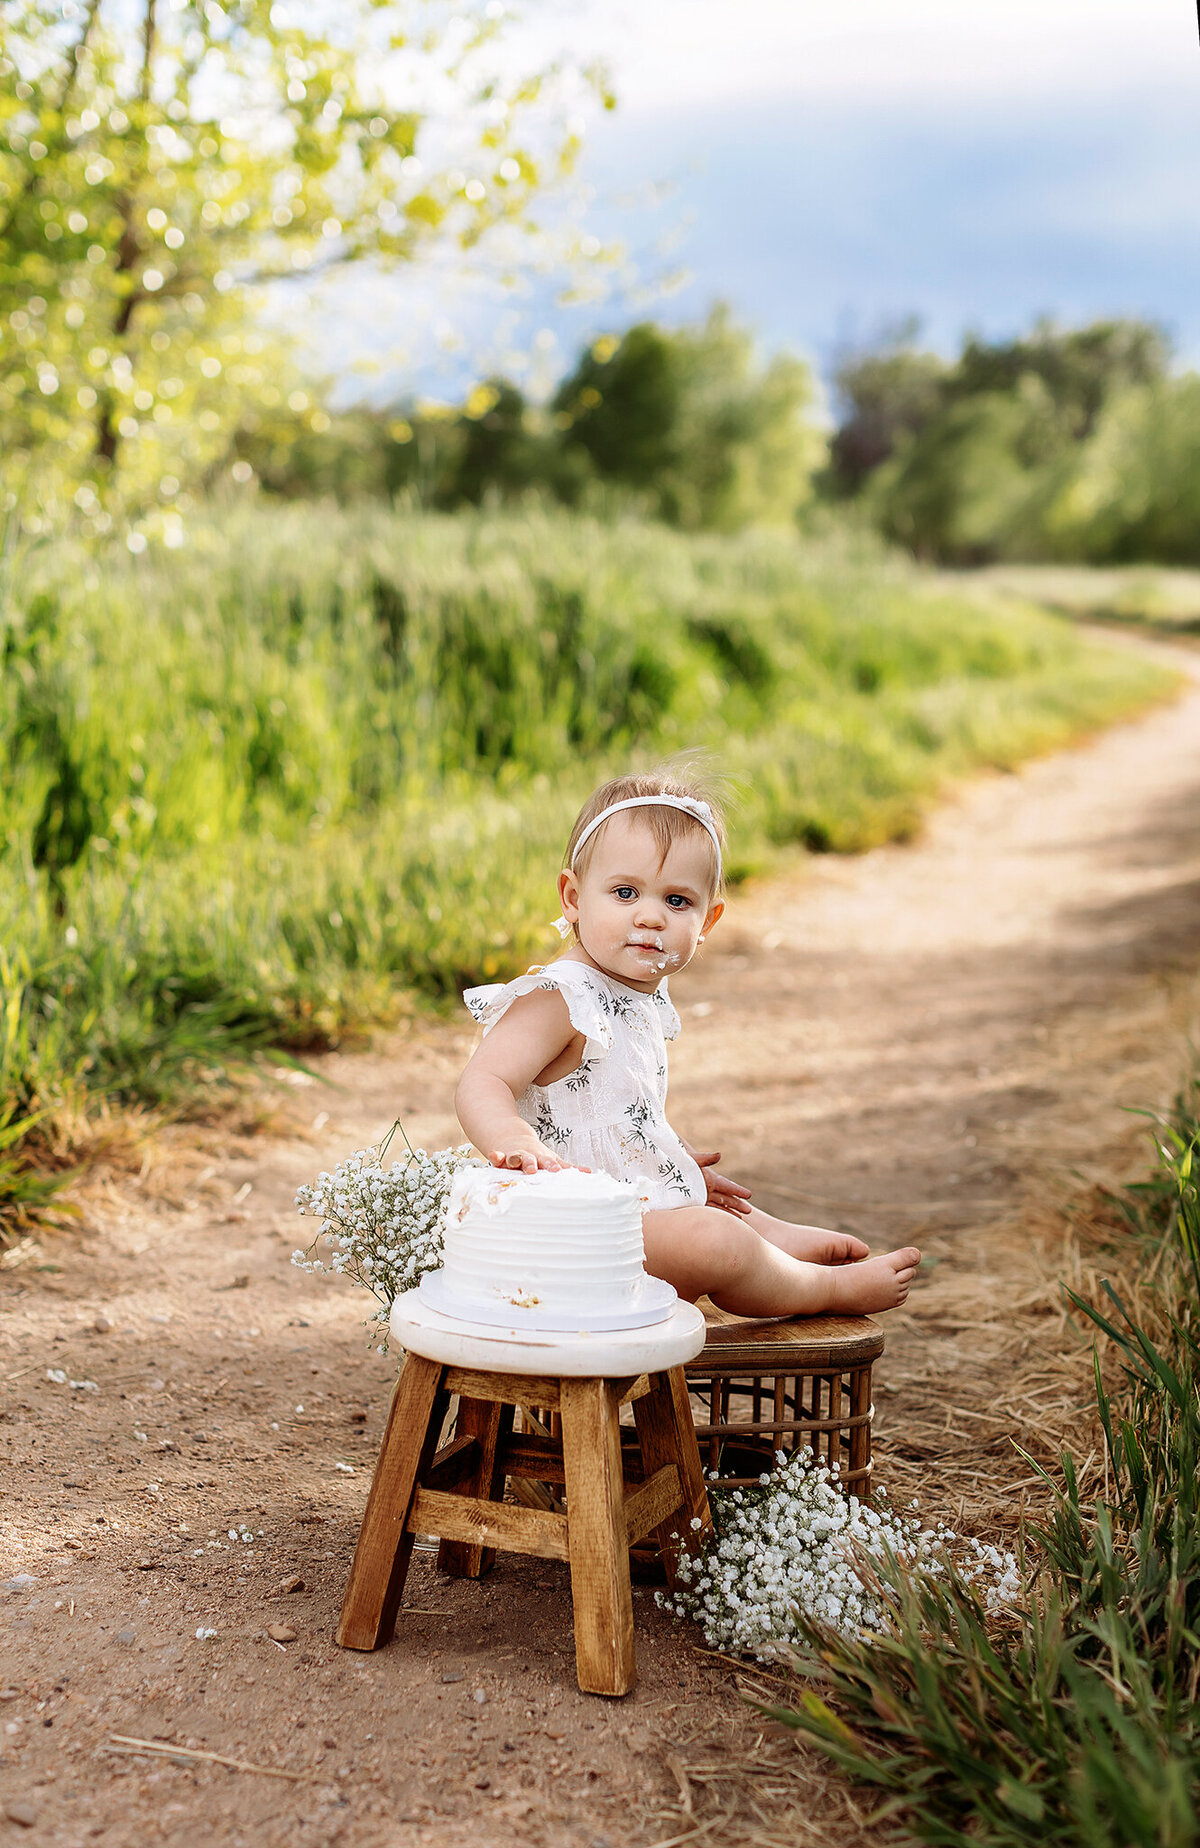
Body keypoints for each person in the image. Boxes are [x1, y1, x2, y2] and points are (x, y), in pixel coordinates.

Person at [454, 772, 921, 1316]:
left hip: (618, 1215)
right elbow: (484, 1080)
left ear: (707, 921)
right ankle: (822, 1289)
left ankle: (774, 1245)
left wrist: (659, 1157)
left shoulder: (631, 994)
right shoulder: (563, 996)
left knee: (710, 1197)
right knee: (713, 1240)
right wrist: (512, 1139)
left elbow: (606, 1107)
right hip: (566, 1232)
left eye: (677, 900)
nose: (650, 916)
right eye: (625, 893)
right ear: (574, 897)